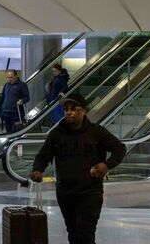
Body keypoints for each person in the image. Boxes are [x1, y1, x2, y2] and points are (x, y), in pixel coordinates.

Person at [30, 93, 126, 244]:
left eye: (73, 109)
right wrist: (37, 170)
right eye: (66, 109)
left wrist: (106, 165)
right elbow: (44, 155)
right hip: (65, 192)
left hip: (90, 192)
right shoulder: (57, 134)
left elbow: (119, 148)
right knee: (73, 232)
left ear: (83, 111)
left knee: (85, 234)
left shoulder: (96, 132)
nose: (69, 112)